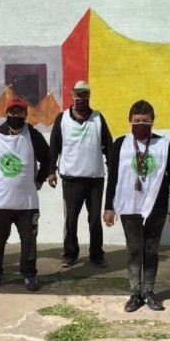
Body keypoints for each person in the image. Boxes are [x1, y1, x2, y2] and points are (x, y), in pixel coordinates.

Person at [103, 100, 170, 312]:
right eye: (137, 120)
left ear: (152, 121)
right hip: (129, 206)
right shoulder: (120, 144)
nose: (141, 124)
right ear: (130, 120)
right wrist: (109, 207)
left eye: (145, 121)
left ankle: (149, 291)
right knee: (134, 249)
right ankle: (135, 293)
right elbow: (113, 177)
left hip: (157, 205)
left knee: (151, 249)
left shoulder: (163, 145)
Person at [0, 97, 51, 291]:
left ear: (25, 114)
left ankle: (29, 274)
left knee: (29, 242)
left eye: (19, 112)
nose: (16, 115)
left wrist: (40, 179)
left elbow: (48, 158)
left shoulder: (33, 135)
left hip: (27, 203)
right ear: (6, 113)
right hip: (0, 202)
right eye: (12, 112)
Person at [47, 80, 113, 268]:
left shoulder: (98, 118)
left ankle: (96, 254)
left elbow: (108, 145)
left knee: (94, 220)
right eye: (78, 94)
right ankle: (70, 253)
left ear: (89, 96)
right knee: (71, 219)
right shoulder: (62, 119)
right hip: (71, 178)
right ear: (72, 95)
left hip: (95, 179)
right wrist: (51, 171)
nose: (81, 98)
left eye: (84, 94)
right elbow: (54, 146)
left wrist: (112, 167)